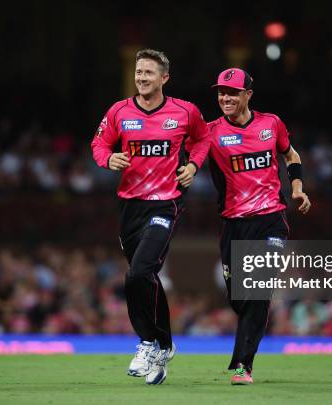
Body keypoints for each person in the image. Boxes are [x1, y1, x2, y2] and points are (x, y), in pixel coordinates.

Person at [91, 49, 210, 385]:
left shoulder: (185, 112)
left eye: (148, 73)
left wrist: (192, 165)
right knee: (146, 279)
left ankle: (146, 342)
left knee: (137, 273)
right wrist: (108, 159)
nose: (141, 77)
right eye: (138, 72)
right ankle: (166, 344)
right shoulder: (119, 111)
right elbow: (98, 144)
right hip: (130, 206)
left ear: (164, 78)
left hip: (165, 204)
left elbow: (203, 139)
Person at [207, 68, 311, 385]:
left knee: (258, 289)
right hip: (233, 224)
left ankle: (243, 367)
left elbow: (290, 154)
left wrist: (296, 187)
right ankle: (243, 354)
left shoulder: (271, 124)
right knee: (240, 299)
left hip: (270, 220)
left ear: (248, 95)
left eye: (233, 92)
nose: (225, 98)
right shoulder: (210, 132)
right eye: (222, 92)